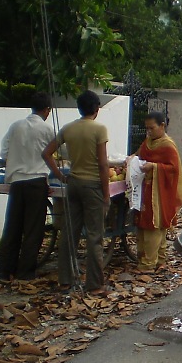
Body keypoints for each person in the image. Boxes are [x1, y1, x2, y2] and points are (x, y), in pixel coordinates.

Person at [42, 90, 109, 295]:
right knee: (94, 236)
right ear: (97, 109)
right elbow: (103, 164)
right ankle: (95, 285)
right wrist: (106, 194)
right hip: (93, 186)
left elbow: (46, 153)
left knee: (69, 234)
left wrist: (60, 175)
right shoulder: (99, 129)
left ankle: (65, 281)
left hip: (73, 184)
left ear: (79, 108)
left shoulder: (68, 128)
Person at [0, 92, 55, 282]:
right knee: (33, 229)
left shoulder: (16, 126)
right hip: (37, 182)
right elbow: (60, 152)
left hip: (16, 182)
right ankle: (25, 272)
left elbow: (3, 153)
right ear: (47, 110)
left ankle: (4, 270)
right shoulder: (47, 129)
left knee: (12, 227)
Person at [133, 112, 182, 272]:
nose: (148, 132)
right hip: (145, 190)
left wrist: (154, 167)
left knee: (154, 226)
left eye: (152, 128)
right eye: (147, 128)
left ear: (162, 126)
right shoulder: (148, 142)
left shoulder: (168, 146)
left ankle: (148, 264)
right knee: (145, 224)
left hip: (159, 192)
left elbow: (173, 169)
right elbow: (139, 155)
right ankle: (158, 259)